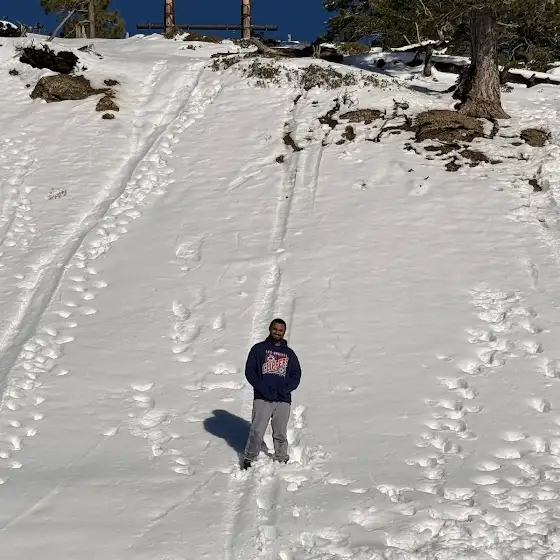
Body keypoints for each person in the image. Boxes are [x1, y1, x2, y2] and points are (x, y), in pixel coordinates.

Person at [242, 318, 301, 469]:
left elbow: (296, 375)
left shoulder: (289, 354)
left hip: (283, 399)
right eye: (275, 329)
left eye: (281, 330)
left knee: (280, 432)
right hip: (262, 398)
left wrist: (285, 389)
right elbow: (250, 371)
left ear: (284, 332)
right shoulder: (258, 349)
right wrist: (262, 388)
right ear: (270, 328)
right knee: (257, 431)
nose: (277, 332)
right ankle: (249, 458)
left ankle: (281, 458)